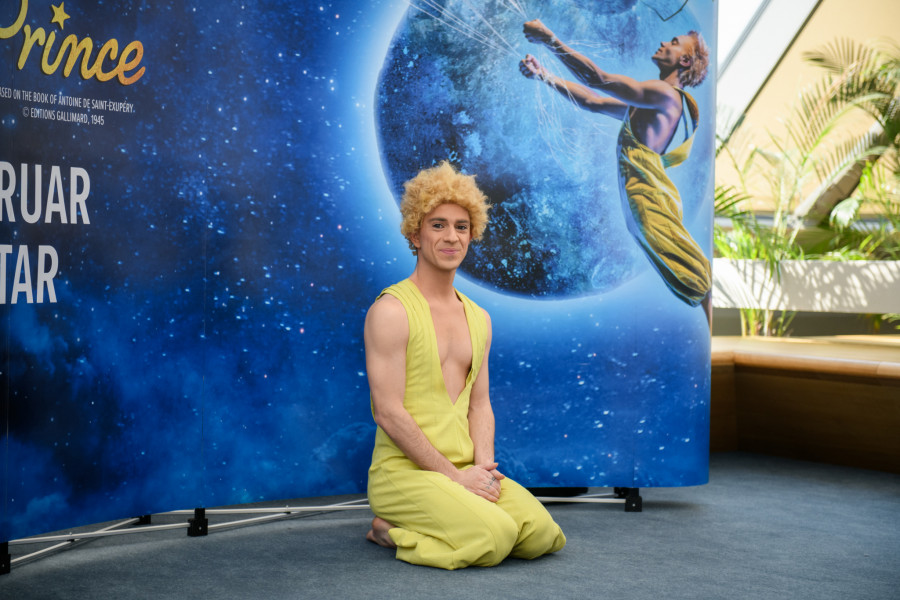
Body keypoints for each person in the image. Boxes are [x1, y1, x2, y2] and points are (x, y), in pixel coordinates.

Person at [364, 161, 566, 569]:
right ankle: (389, 530)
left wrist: (483, 471)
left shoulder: (480, 318)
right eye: (437, 225)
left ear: (472, 234)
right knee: (494, 537)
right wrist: (454, 478)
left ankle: (458, 511)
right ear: (415, 234)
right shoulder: (390, 311)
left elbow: (480, 404)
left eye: (461, 226)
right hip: (404, 475)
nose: (451, 237)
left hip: (464, 469)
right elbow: (387, 412)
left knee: (542, 535)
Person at [519, 20, 712, 317]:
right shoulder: (650, 102)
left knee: (696, 277)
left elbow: (598, 79)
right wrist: (544, 75)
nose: (664, 43)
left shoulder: (665, 93)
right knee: (691, 278)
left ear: (685, 60)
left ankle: (712, 331)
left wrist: (550, 40)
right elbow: (593, 101)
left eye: (674, 43)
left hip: (648, 200)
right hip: (641, 204)